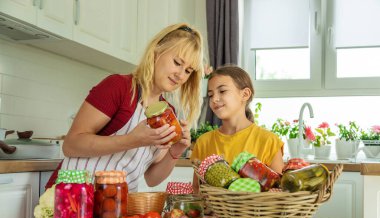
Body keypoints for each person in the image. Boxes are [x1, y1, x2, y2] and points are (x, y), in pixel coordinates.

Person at [46, 23, 204, 192]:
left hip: (116, 206)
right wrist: (132, 140)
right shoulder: (119, 87)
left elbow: (152, 178)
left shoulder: (168, 113)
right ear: (157, 51)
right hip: (72, 199)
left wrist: (176, 150)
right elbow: (71, 145)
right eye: (177, 62)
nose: (180, 75)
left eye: (188, 71)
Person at [191, 65, 284, 192]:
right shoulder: (203, 142)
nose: (214, 99)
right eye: (210, 95)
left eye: (222, 91)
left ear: (245, 94)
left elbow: (279, 192)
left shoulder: (269, 141)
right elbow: (197, 189)